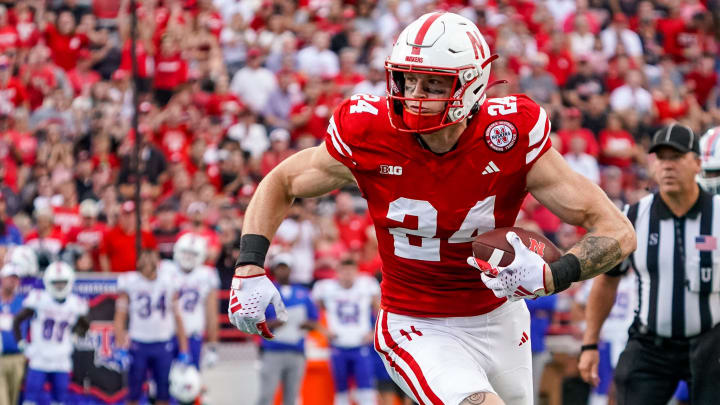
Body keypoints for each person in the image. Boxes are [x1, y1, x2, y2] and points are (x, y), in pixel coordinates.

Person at [229, 12, 635, 405]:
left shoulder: (508, 134)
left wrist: (554, 274)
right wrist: (249, 263)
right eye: (408, 79)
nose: (415, 96)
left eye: (434, 85)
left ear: (472, 85)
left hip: (501, 318)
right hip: (416, 322)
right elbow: (281, 181)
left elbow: (618, 231)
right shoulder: (369, 131)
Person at [578, 124, 720, 404]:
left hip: (711, 343)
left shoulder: (717, 214)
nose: (667, 166)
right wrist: (590, 342)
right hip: (651, 345)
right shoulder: (633, 216)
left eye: (676, 157)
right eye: (661, 158)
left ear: (697, 163)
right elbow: (607, 280)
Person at [114, 248, 190, 405]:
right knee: (133, 393)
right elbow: (120, 316)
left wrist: (184, 349)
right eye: (144, 258)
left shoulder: (169, 282)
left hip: (163, 343)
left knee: (163, 392)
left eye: (152, 258)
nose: (148, 262)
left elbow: (178, 317)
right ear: (138, 262)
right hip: (138, 343)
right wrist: (120, 345)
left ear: (158, 262)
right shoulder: (130, 282)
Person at [12, 261, 90, 405]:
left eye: (63, 282)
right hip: (39, 357)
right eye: (56, 283)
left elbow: (85, 325)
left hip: (61, 359)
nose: (59, 286)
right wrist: (21, 343)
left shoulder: (75, 303)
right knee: (30, 401)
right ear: (48, 282)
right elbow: (17, 321)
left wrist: (74, 336)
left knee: (59, 401)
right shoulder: (39, 299)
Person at [312, 255, 380, 405]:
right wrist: (324, 330)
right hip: (338, 345)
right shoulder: (325, 288)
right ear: (337, 271)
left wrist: (373, 331)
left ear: (356, 271)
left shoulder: (367, 285)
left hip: (361, 345)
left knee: (367, 393)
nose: (348, 274)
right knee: (341, 393)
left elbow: (380, 312)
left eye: (351, 270)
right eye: (344, 270)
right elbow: (311, 313)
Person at [256, 254, 319, 405]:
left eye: (285, 267)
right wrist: (274, 324)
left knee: (292, 397)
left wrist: (303, 324)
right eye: (280, 267)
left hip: (296, 350)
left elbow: (314, 320)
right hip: (272, 350)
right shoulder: (265, 292)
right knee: (266, 395)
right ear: (274, 269)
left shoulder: (303, 293)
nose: (283, 271)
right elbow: (255, 322)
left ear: (291, 269)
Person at [161, 233, 220, 369]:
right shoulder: (165, 269)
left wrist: (212, 347)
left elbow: (211, 314)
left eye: (193, 254)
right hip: (166, 335)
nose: (188, 257)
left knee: (189, 384)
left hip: (192, 335)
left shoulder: (207, 275)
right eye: (185, 252)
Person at [0, 263, 25, 405]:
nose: (12, 281)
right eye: (10, 277)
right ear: (2, 278)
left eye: (15, 278)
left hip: (17, 357)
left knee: (13, 399)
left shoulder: (22, 304)